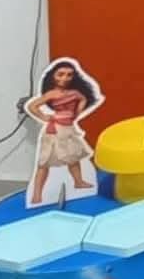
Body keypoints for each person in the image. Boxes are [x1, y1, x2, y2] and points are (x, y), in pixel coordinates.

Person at [25, 61, 101, 205]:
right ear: (53, 76)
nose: (65, 78)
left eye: (69, 75)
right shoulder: (51, 94)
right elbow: (32, 106)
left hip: (69, 129)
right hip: (55, 130)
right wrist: (44, 117)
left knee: (73, 158)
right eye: (60, 74)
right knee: (44, 162)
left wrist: (77, 113)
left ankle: (78, 181)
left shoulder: (75, 93)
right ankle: (37, 194)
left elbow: (83, 99)